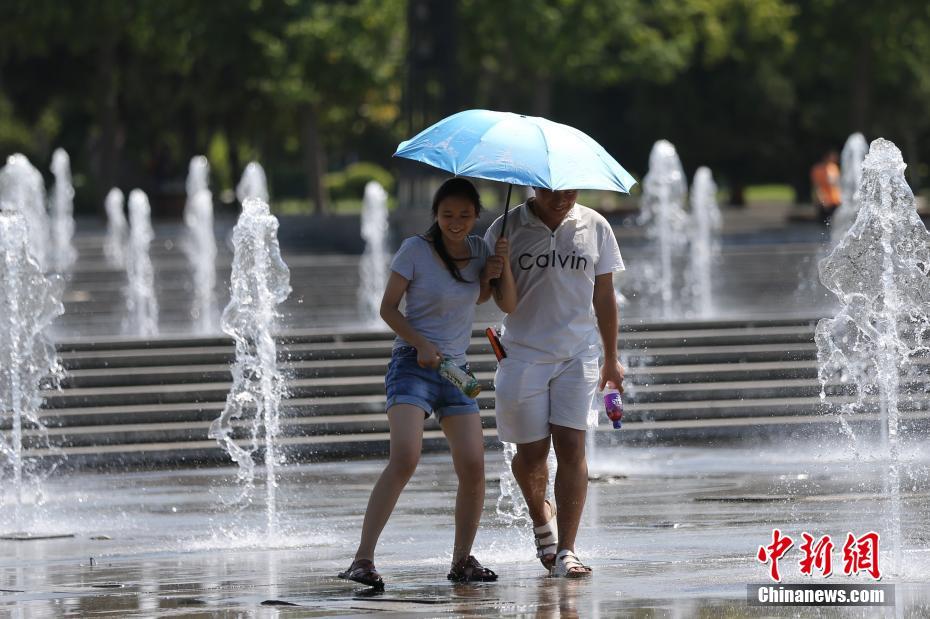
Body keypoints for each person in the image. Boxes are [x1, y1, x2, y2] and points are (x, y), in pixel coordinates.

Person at [339, 177, 517, 588]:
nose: (456, 222)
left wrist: (495, 271)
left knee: (474, 466)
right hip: (412, 363)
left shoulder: (479, 250)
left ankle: (462, 560)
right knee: (405, 457)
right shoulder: (415, 250)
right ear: (435, 214)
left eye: (465, 215)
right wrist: (419, 343)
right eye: (447, 214)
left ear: (476, 216)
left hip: (455, 370)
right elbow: (388, 308)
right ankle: (362, 560)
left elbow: (484, 299)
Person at [484, 187, 625, 578]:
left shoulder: (595, 225)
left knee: (571, 446)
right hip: (522, 355)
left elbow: (604, 294)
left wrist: (611, 358)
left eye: (569, 190)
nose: (562, 198)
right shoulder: (505, 227)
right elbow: (494, 298)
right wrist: (495, 268)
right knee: (530, 457)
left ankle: (567, 550)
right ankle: (540, 517)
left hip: (577, 355)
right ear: (534, 185)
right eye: (552, 191)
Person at [811, 151, 841, 225]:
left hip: (835, 200)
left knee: (835, 224)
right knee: (824, 224)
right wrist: (821, 199)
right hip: (824, 200)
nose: (834, 158)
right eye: (831, 156)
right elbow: (817, 186)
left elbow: (837, 184)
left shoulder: (833, 167)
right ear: (825, 157)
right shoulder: (818, 169)